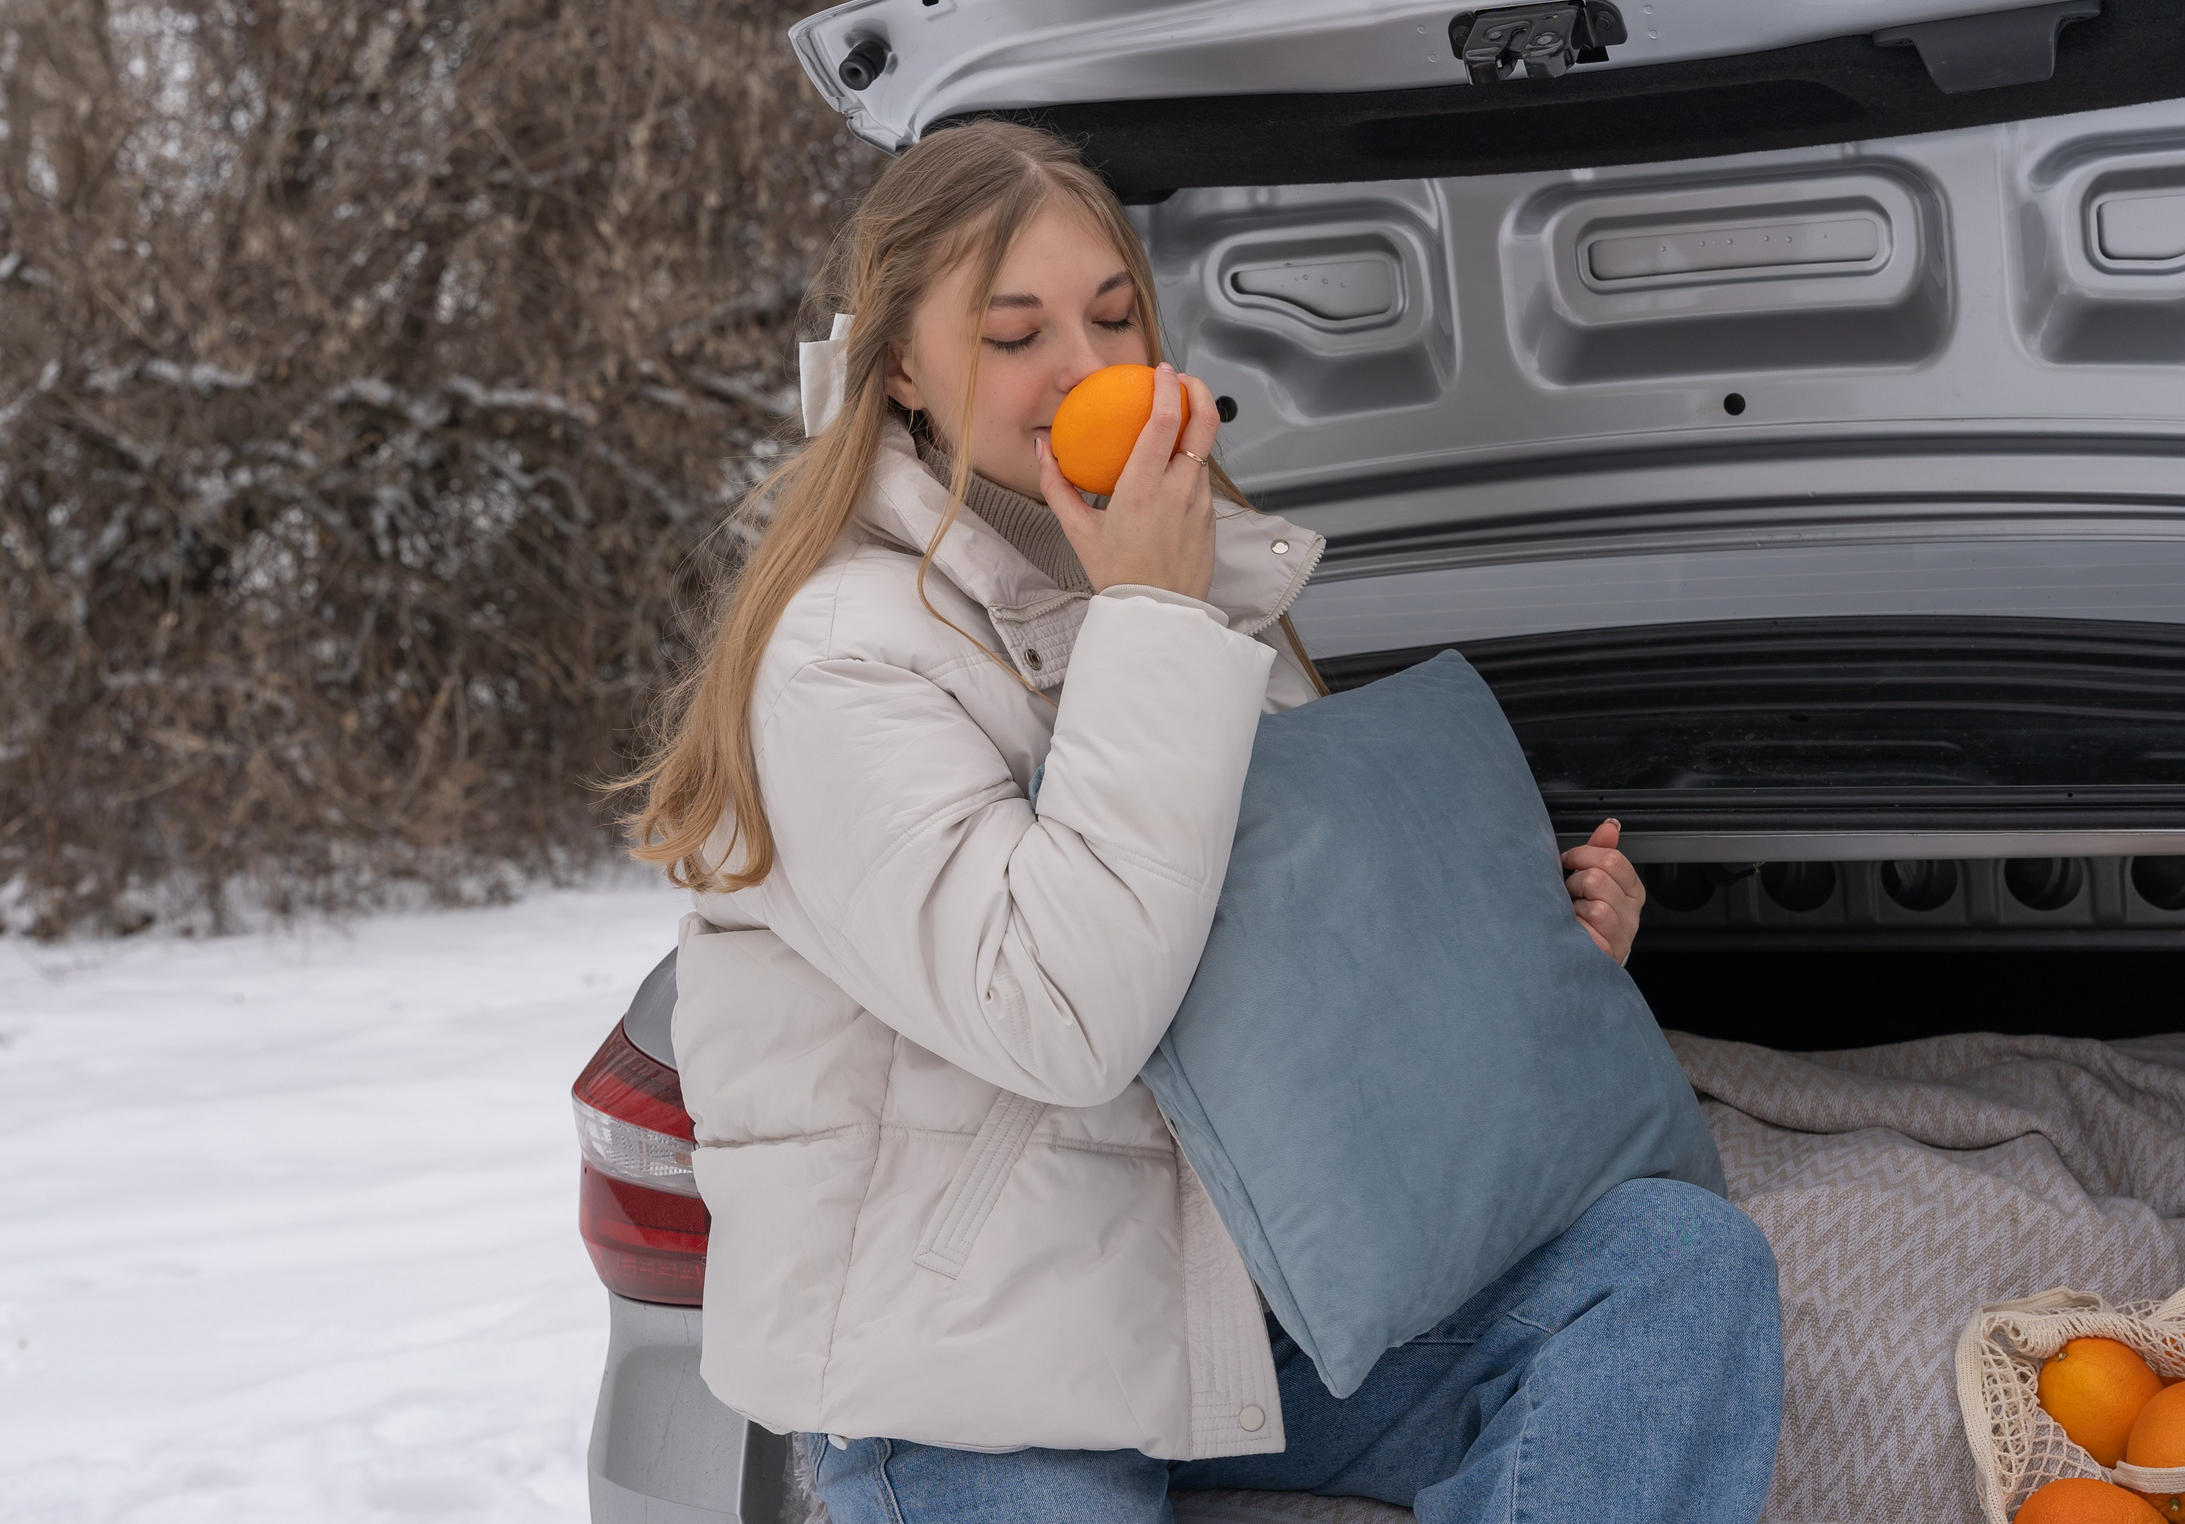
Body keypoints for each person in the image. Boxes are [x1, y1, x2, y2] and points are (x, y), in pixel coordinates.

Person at [620, 120, 1781, 1524]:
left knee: (1674, 1260)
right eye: (1015, 332)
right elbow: (1064, 1014)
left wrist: (1528, 955)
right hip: (984, 1379)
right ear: (905, 368)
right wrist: (1155, 618)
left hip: (1251, 1316)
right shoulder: (843, 655)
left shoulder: (1198, 585)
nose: (1088, 368)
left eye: (1114, 316)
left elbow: (1282, 957)